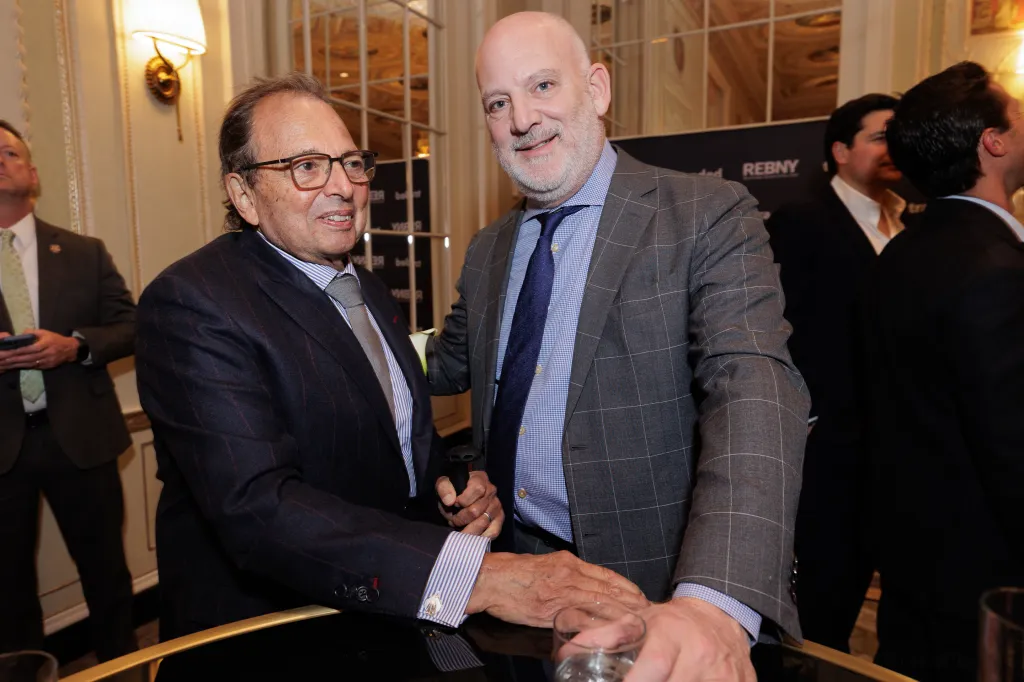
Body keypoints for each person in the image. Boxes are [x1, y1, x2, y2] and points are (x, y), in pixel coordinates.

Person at [135, 73, 648, 641]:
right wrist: (478, 576)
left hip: (383, 619)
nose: (342, 187)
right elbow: (258, 509)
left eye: (350, 163)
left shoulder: (368, 290)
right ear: (245, 195)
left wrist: (456, 488)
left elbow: (389, 439)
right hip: (267, 636)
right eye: (306, 166)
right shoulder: (194, 303)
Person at [426, 12, 809, 680]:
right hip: (510, 589)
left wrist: (714, 603)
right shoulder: (489, 250)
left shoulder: (704, 213)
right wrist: (350, 330)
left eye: (543, 85)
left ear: (597, 89)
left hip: (651, 590)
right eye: (498, 102)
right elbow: (446, 360)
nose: (521, 119)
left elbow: (752, 387)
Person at [861, 61, 1024, 681]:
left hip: (915, 569)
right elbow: (1012, 452)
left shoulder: (903, 252)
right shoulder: (995, 269)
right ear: (994, 141)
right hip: (987, 590)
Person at [765, 93, 906, 651]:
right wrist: (813, 418)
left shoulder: (905, 218)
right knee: (824, 602)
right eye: (880, 136)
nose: (893, 148)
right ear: (841, 150)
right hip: (831, 451)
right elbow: (781, 322)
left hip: (895, 448)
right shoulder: (803, 219)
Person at [0, 120, 137, 659]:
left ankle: (124, 670)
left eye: (8, 151)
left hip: (82, 440)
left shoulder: (85, 251)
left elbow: (132, 325)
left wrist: (74, 347)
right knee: (6, 593)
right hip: (2, 448)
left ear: (32, 175)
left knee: (107, 576)